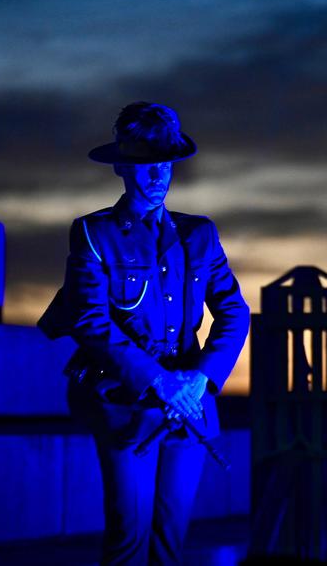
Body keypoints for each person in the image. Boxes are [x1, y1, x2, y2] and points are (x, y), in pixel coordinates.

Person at [39, 102, 250, 565]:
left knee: (170, 543)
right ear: (121, 167)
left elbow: (234, 310)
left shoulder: (200, 234)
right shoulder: (95, 233)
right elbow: (91, 320)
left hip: (190, 405)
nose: (157, 177)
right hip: (125, 404)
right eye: (144, 166)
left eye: (166, 165)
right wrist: (159, 382)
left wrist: (199, 379)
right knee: (127, 541)